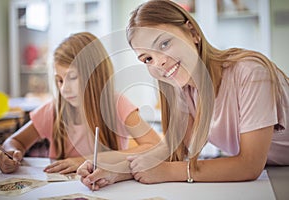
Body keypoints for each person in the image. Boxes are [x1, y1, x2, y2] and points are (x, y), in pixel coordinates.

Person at [123, 0, 289, 184]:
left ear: (193, 33)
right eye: (147, 58)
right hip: (276, 174)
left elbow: (249, 165)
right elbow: (175, 149)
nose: (158, 62)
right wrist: (116, 172)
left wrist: (169, 171)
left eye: (164, 44)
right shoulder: (183, 88)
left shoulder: (251, 73)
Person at [0, 32, 160, 178]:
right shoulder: (54, 110)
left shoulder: (116, 104)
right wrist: (11, 153)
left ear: (94, 75)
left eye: (72, 77)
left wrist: (85, 160)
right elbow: (15, 142)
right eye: (59, 80)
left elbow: (154, 146)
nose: (64, 88)